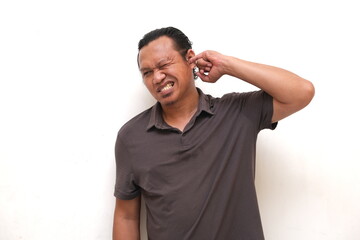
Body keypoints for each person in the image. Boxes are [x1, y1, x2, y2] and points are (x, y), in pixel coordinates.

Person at [112, 27, 315, 240]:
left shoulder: (237, 113)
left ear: (190, 58)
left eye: (164, 65)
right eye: (147, 72)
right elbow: (126, 217)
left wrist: (227, 64)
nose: (157, 77)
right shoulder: (131, 137)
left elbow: (302, 92)